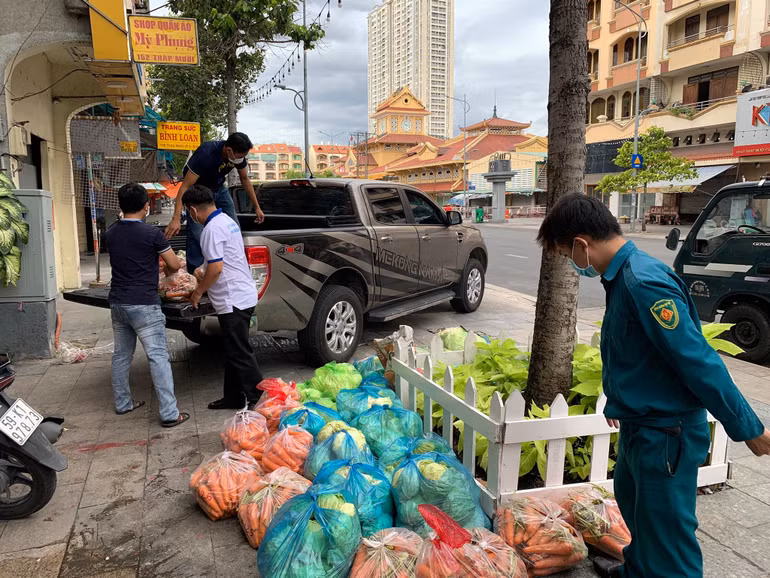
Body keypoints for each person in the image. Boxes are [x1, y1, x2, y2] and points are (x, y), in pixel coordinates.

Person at [536, 193, 770, 578]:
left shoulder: (643, 283)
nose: (570, 262)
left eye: (565, 254)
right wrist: (619, 400)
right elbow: (636, 351)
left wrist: (749, 428)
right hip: (642, 425)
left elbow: (697, 360)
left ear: (581, 243)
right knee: (638, 513)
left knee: (667, 537)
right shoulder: (623, 277)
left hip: (666, 433)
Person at [104, 183, 190, 427]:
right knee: (158, 356)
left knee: (121, 355)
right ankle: (170, 413)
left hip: (118, 302)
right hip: (144, 303)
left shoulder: (111, 233)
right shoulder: (152, 234)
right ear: (146, 206)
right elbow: (173, 264)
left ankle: (123, 403)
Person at [182, 184, 264, 410]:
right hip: (242, 294)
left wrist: (198, 291)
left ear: (192, 210)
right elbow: (219, 260)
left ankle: (260, 400)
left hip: (233, 299)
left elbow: (216, 269)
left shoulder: (211, 230)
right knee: (233, 349)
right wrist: (201, 270)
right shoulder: (227, 221)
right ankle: (233, 397)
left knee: (240, 352)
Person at [164, 132, 265, 273]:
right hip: (198, 191)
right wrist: (176, 219)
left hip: (219, 188)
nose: (241, 160)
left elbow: (245, 179)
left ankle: (233, 266)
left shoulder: (237, 156)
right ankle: (196, 273)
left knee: (234, 227)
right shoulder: (206, 154)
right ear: (229, 150)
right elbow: (184, 188)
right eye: (240, 156)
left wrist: (257, 207)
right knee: (198, 234)